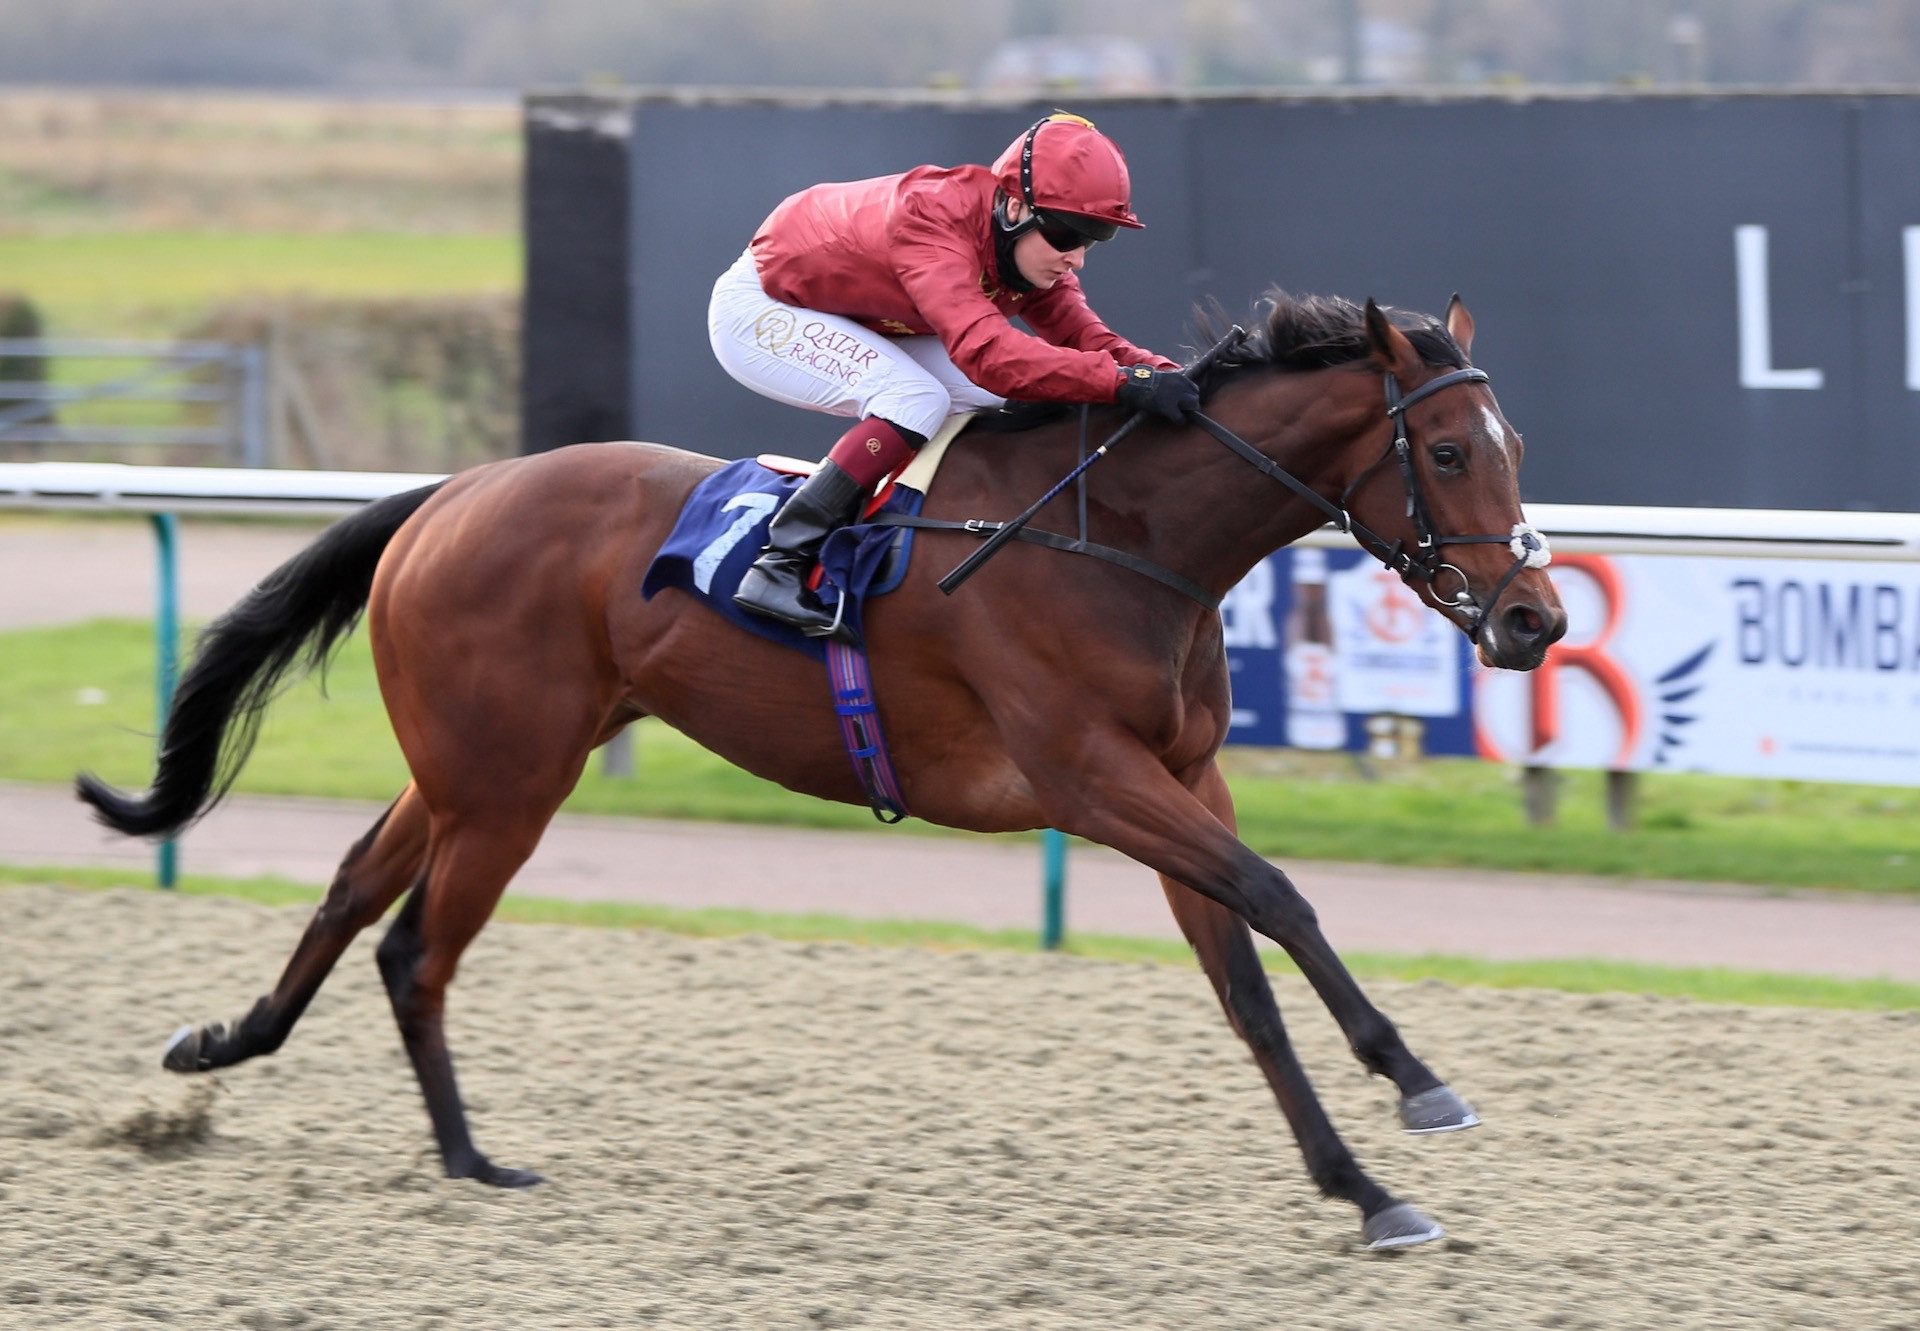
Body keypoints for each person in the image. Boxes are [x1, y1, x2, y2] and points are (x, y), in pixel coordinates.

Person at [708, 111, 1199, 635]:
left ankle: (908, 537)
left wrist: (1172, 375)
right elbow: (989, 354)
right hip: (763, 307)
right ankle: (780, 562)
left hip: (853, 310)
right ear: (1014, 206)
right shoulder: (933, 220)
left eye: (1094, 239)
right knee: (916, 399)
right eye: (1065, 235)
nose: (1076, 258)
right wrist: (1126, 384)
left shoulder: (1027, 245)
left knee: (1003, 401)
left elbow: (1090, 342)